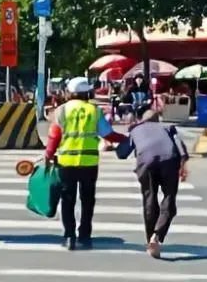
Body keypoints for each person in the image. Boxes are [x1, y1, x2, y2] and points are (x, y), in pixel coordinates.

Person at [45, 77, 127, 250]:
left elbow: (54, 136)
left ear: (69, 93)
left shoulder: (61, 111)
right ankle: (84, 236)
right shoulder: (94, 111)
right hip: (89, 162)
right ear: (87, 93)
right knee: (87, 200)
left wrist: (48, 155)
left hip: (66, 162)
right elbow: (108, 134)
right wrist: (125, 138)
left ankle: (69, 236)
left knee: (67, 200)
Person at [117, 110, 189, 259]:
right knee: (169, 198)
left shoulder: (136, 129)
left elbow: (122, 153)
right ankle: (156, 236)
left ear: (142, 120)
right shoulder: (168, 128)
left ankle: (150, 239)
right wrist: (183, 166)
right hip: (169, 161)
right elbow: (181, 149)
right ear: (157, 119)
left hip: (146, 163)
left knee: (149, 199)